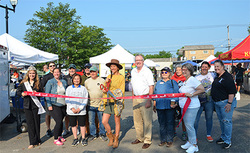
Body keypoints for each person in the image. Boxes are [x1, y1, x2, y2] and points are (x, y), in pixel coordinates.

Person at [211, 60, 237, 149]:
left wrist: (229, 103)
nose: (216, 68)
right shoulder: (217, 76)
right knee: (221, 121)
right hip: (217, 103)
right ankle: (223, 137)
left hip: (225, 103)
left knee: (227, 121)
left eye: (218, 66)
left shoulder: (227, 77)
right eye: (215, 66)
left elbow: (232, 92)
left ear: (223, 66)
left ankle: (227, 141)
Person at [179, 63, 205, 153]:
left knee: (189, 125)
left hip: (191, 106)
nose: (184, 71)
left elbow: (202, 89)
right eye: (183, 69)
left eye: (186, 69)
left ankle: (194, 145)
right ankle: (190, 142)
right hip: (184, 106)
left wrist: (192, 94)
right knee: (187, 125)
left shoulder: (193, 80)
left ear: (190, 70)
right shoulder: (186, 80)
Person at [16, 66, 44, 149]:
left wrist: (37, 92)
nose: (32, 75)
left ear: (35, 74)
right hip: (27, 106)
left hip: (36, 105)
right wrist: (22, 94)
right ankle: (32, 142)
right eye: (30, 73)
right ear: (28, 74)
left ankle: (38, 140)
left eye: (33, 73)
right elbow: (18, 92)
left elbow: (42, 92)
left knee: (37, 123)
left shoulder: (38, 83)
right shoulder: (23, 83)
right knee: (30, 124)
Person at [131, 55, 154, 149]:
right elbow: (133, 85)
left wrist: (149, 100)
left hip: (145, 97)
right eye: (136, 60)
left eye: (140, 60)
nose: (138, 62)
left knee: (147, 120)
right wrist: (133, 97)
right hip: (136, 98)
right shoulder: (133, 71)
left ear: (143, 61)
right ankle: (139, 138)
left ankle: (147, 140)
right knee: (137, 120)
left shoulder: (147, 71)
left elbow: (151, 86)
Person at [153, 67, 179, 147]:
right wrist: (154, 104)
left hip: (169, 106)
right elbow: (155, 94)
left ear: (169, 73)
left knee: (170, 123)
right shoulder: (158, 83)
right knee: (162, 123)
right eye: (163, 72)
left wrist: (175, 103)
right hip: (160, 106)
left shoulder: (173, 82)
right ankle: (163, 140)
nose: (164, 74)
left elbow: (176, 93)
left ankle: (169, 140)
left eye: (166, 72)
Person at [102, 59, 125, 149]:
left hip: (117, 102)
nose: (112, 68)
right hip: (108, 101)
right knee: (104, 121)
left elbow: (121, 90)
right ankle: (110, 136)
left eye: (114, 66)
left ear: (118, 68)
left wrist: (111, 92)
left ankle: (116, 139)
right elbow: (104, 88)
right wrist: (105, 85)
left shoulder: (121, 77)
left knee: (117, 121)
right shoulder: (108, 76)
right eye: (111, 66)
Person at [45, 68, 68, 145]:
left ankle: (59, 135)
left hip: (63, 105)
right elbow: (47, 94)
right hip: (54, 104)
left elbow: (66, 92)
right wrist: (49, 105)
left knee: (61, 121)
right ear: (53, 73)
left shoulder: (64, 82)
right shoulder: (50, 82)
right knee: (58, 121)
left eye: (58, 72)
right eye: (55, 72)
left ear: (60, 73)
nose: (57, 73)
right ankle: (55, 138)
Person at [85, 66, 107, 142]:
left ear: (97, 72)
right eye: (91, 72)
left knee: (102, 121)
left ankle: (102, 133)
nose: (92, 73)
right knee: (91, 121)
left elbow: (105, 91)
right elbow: (85, 92)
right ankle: (93, 134)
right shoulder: (87, 81)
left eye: (94, 72)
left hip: (100, 104)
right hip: (90, 104)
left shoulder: (102, 80)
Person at [194, 61, 215, 142]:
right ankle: (194, 136)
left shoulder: (213, 75)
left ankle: (208, 135)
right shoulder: (196, 77)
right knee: (196, 119)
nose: (204, 68)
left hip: (209, 100)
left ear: (209, 68)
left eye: (206, 67)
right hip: (198, 100)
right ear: (200, 68)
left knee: (209, 118)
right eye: (203, 67)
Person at [65, 74, 88, 146]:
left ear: (80, 80)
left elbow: (85, 99)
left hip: (81, 111)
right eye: (75, 79)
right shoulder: (69, 88)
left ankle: (83, 138)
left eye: (78, 79)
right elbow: (67, 99)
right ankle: (75, 138)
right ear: (72, 80)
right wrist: (72, 108)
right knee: (73, 125)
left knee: (82, 125)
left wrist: (79, 108)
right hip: (71, 111)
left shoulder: (83, 88)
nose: (76, 80)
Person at [171, 64, 187, 141]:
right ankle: (174, 132)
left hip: (183, 100)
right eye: (176, 70)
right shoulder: (172, 78)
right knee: (174, 117)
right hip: (174, 100)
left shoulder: (186, 78)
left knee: (183, 118)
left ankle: (184, 133)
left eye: (179, 70)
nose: (178, 71)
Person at [41, 62, 56, 137]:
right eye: (51, 66)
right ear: (48, 68)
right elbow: (41, 86)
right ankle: (48, 129)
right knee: (48, 114)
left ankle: (57, 129)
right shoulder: (46, 76)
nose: (52, 67)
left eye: (54, 65)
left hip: (57, 99)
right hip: (48, 99)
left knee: (57, 114)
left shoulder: (58, 75)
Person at [62, 64, 77, 136]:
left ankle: (76, 129)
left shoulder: (77, 77)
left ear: (75, 70)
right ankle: (66, 129)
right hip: (67, 98)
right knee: (67, 115)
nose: (72, 70)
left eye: (73, 69)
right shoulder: (64, 78)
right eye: (70, 69)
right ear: (68, 70)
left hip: (76, 99)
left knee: (76, 114)